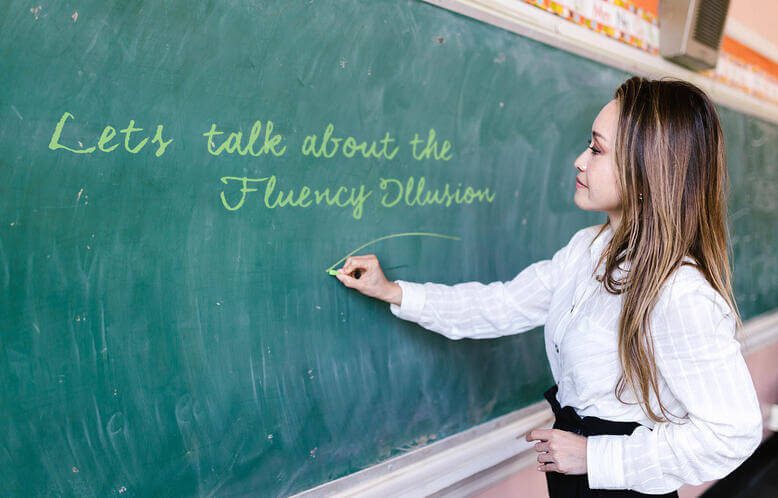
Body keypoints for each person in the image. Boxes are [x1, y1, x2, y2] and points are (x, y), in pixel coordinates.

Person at [333, 76, 763, 497]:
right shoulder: (586, 250)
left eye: (597, 149)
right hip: (572, 478)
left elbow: (732, 434)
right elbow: (501, 304)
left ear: (646, 171)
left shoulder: (680, 294)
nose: (580, 159)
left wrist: (596, 457)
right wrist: (394, 292)